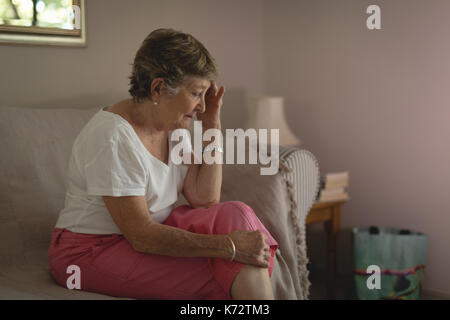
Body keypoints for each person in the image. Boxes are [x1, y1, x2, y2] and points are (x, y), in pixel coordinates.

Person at [48, 28, 278, 300]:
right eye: (196, 94)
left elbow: (205, 199)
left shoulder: (174, 126)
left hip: (155, 229)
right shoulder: (112, 137)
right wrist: (228, 246)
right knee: (231, 276)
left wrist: (212, 127)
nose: (202, 106)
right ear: (158, 88)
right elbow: (141, 235)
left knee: (236, 213)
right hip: (90, 251)